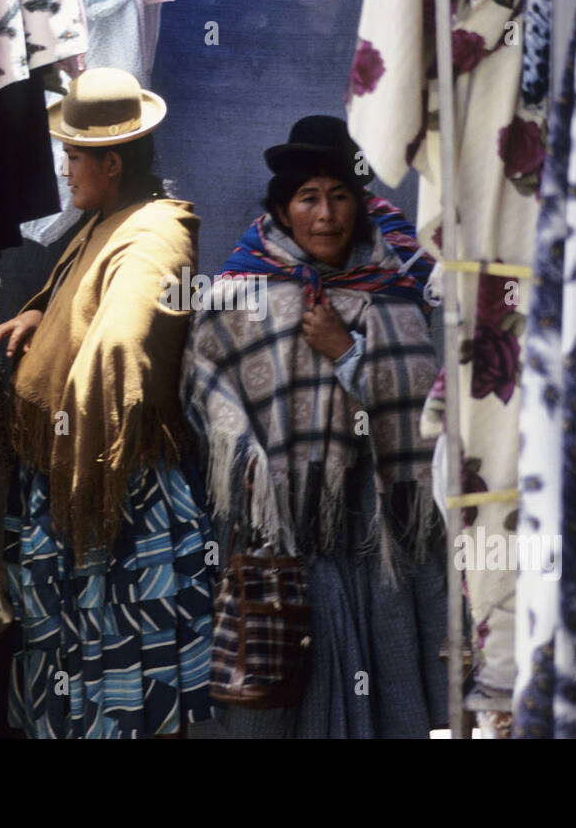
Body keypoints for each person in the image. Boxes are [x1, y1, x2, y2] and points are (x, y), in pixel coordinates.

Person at [183, 114, 447, 737]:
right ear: (282, 209)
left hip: (376, 524)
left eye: (339, 197)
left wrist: (346, 353)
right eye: (308, 199)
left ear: (361, 204)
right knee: (288, 690)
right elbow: (203, 387)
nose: (325, 216)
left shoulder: (395, 284)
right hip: (283, 524)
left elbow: (420, 403)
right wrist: (252, 465)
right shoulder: (240, 291)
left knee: (388, 687)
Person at [0, 67, 216, 739]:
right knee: (75, 677)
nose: (65, 170)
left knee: (122, 687)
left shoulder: (154, 238)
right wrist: (43, 320)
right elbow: (87, 303)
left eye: (74, 156)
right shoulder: (108, 223)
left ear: (111, 164)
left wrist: (77, 453)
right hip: (77, 492)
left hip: (112, 496)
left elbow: (120, 339)